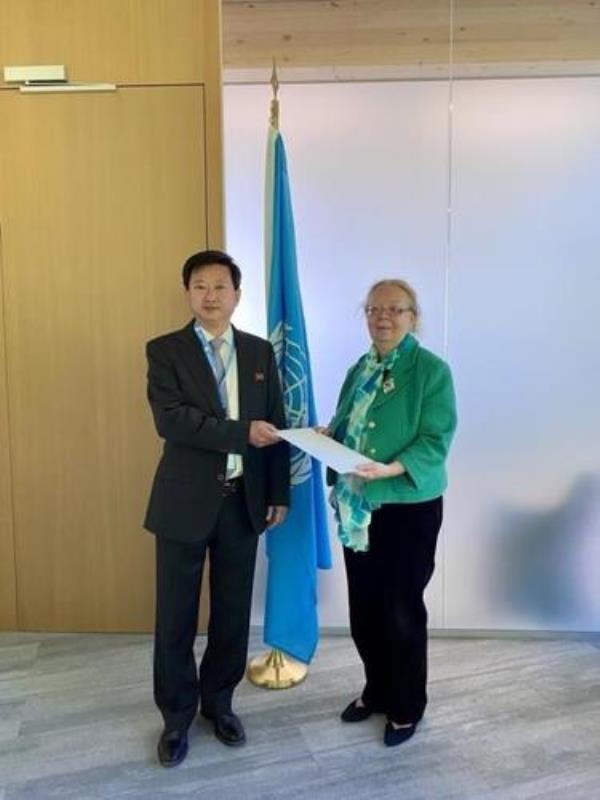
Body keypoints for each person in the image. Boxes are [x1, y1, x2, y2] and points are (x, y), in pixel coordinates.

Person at [144, 250, 289, 767]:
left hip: (242, 501)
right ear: (188, 293)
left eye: (220, 286)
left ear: (236, 295)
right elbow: (172, 420)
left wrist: (278, 493)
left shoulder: (258, 352)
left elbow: (275, 421)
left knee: (231, 613)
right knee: (175, 616)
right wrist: (240, 432)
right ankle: (176, 716)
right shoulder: (165, 350)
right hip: (183, 502)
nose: (210, 295)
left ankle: (220, 704)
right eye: (200, 286)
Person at [326, 278, 457, 747]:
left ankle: (405, 706)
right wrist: (327, 435)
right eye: (374, 309)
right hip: (359, 507)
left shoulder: (431, 370)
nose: (383, 318)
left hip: (407, 508)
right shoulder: (359, 368)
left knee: (401, 611)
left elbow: (436, 438)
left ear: (413, 317)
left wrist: (392, 468)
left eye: (395, 310)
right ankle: (377, 689)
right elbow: (349, 425)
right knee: (364, 610)